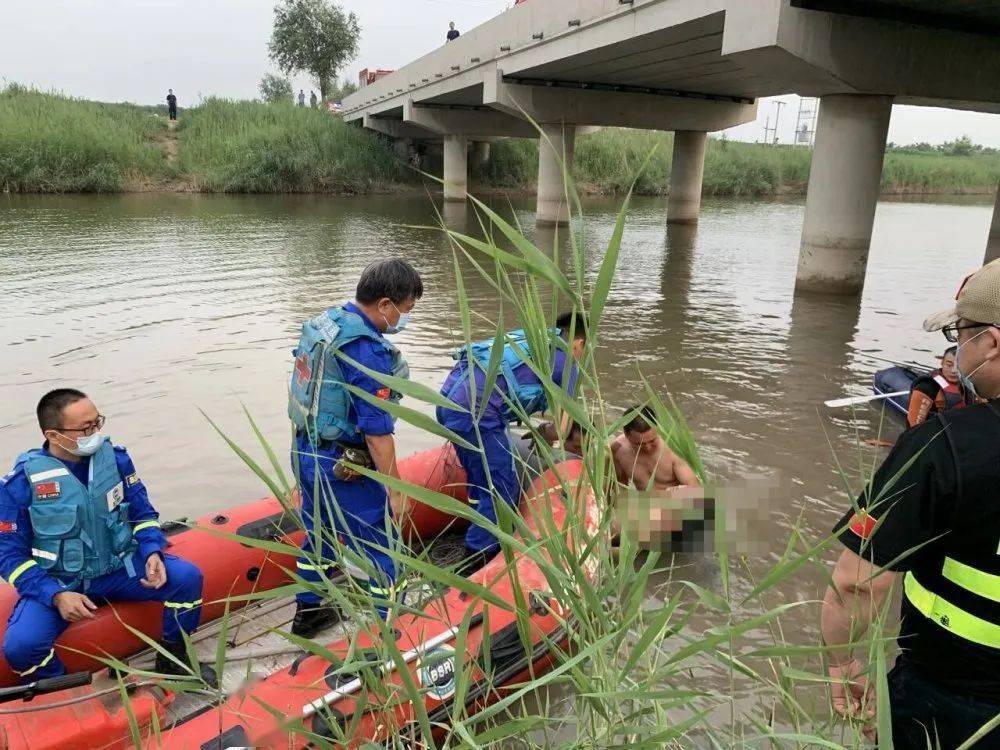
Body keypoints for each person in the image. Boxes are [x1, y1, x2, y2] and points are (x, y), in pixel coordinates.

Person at [821, 260, 1000, 748]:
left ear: (993, 343)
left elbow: (856, 583)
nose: (955, 347)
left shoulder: (940, 447)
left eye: (959, 332)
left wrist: (844, 664)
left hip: (952, 702)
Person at [0, 390, 215, 685]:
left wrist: (152, 551)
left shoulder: (116, 461)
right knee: (21, 646)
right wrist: (55, 594)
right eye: (86, 428)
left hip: (120, 567)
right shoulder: (20, 485)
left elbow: (142, 513)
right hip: (61, 580)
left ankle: (174, 661)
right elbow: (9, 556)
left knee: (187, 579)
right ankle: (66, 690)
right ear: (53, 434)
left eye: (97, 422)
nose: (96, 433)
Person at [287, 259, 422, 635]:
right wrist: (396, 490)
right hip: (340, 465)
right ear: (384, 305)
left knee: (320, 534)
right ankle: (388, 633)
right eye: (405, 311)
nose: (403, 320)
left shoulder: (327, 324)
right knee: (383, 545)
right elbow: (377, 433)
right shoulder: (365, 349)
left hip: (305, 449)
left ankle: (309, 614)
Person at [436, 314, 586, 569]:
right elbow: (562, 429)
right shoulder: (568, 362)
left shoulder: (527, 338)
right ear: (580, 343)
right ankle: (476, 559)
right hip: (477, 417)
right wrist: (544, 432)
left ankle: (475, 528)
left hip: (448, 403)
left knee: (480, 479)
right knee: (502, 489)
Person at [611, 405, 700, 492]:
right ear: (626, 435)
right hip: (646, 504)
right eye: (639, 444)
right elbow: (620, 487)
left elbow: (698, 491)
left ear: (657, 429)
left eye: (652, 441)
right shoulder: (618, 449)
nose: (648, 448)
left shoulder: (673, 448)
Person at [905, 346, 968, 427]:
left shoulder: (970, 384)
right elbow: (913, 426)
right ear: (942, 363)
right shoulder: (926, 387)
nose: (954, 371)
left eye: (958, 366)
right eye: (949, 365)